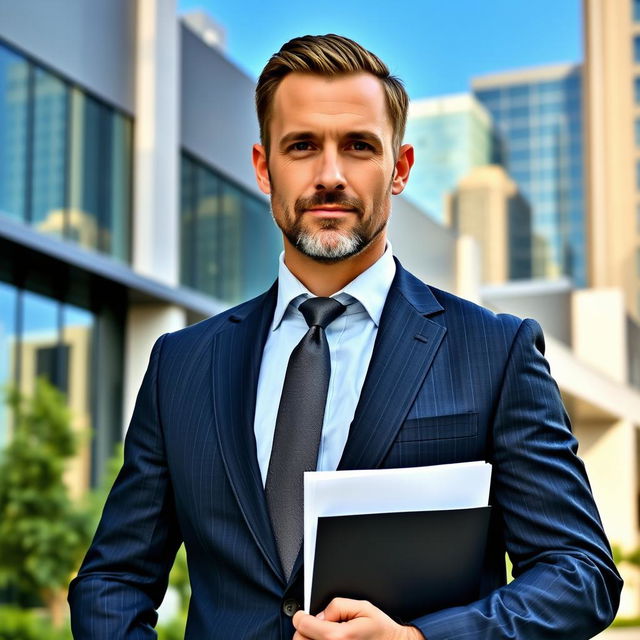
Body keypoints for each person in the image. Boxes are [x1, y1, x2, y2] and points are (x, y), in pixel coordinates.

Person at [68, 34, 622, 640]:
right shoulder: (182, 362)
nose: (330, 176)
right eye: (301, 145)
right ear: (262, 167)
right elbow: (113, 580)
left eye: (358, 146)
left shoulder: (496, 351)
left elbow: (580, 573)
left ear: (400, 168)